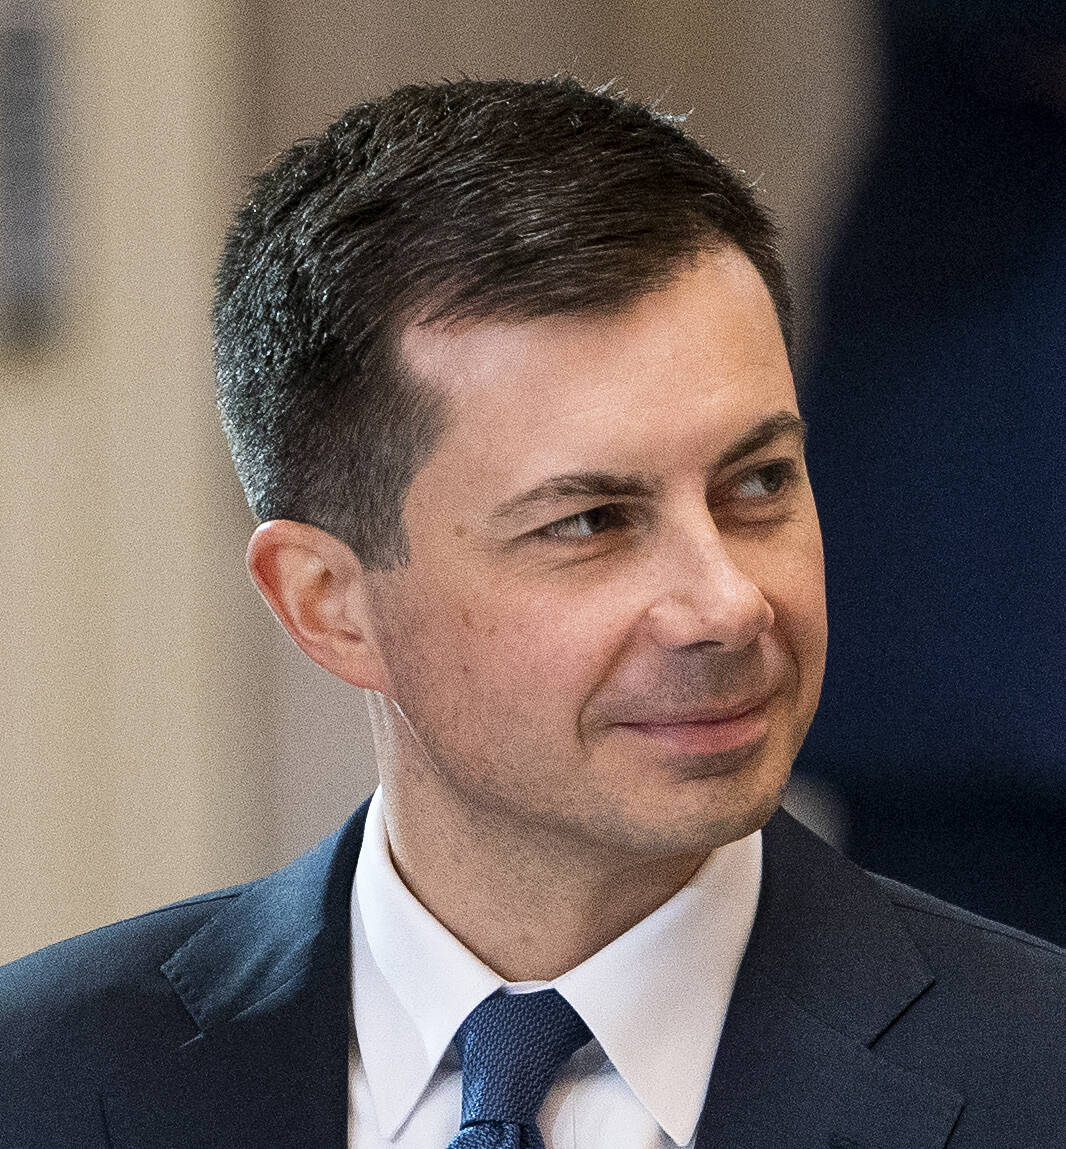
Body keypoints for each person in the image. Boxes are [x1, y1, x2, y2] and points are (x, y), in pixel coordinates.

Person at [1, 76, 1064, 1149]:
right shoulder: (40, 1084)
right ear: (328, 607)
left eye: (757, 485)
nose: (726, 604)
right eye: (593, 521)